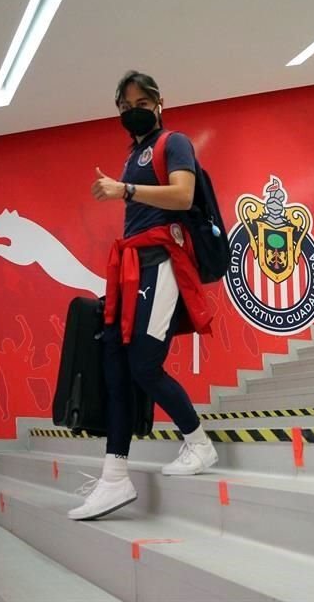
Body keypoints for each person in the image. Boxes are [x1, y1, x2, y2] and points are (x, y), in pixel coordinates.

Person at [69, 71, 218, 521]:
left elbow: (184, 194)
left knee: (143, 366)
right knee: (115, 366)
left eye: (140, 101)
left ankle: (199, 443)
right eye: (123, 104)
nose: (130, 109)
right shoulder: (133, 153)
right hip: (131, 267)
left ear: (157, 102)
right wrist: (123, 187)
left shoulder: (175, 142)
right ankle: (114, 477)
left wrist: (124, 189)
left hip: (162, 262)